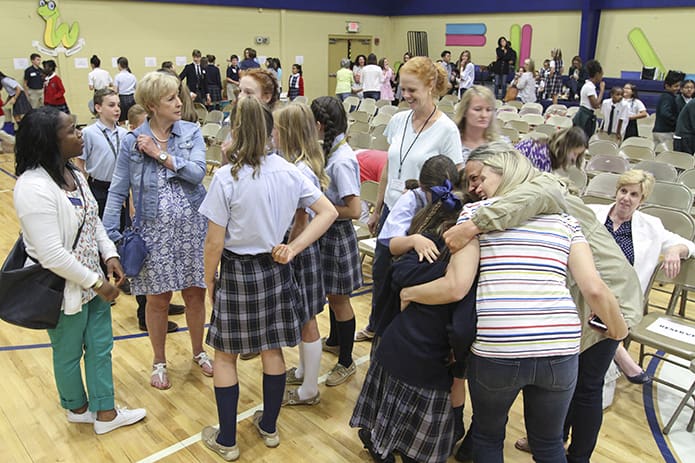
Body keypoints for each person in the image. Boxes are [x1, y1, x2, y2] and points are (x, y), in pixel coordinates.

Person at [446, 143, 640, 463]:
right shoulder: (538, 211)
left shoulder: (546, 193)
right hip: (578, 308)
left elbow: (595, 287)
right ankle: (541, 441)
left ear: (507, 170)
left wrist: (470, 225)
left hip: (610, 300)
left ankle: (577, 457)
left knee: (587, 389)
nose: (473, 188)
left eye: (478, 178)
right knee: (548, 433)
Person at [199, 96, 337, 460]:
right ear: (272, 131)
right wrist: (293, 247)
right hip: (276, 268)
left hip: (238, 270)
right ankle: (269, 426)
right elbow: (328, 212)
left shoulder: (227, 179)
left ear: (235, 132)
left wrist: (208, 280)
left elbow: (214, 242)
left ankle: (227, 441)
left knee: (226, 356)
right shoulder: (291, 172)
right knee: (271, 349)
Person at [13, 107, 146, 434]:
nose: (80, 134)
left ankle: (105, 413)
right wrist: (98, 283)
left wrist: (110, 254)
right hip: (64, 290)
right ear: (51, 142)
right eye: (72, 130)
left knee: (101, 347)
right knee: (69, 352)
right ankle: (77, 408)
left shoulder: (74, 172)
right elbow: (52, 255)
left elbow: (93, 220)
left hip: (94, 283)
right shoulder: (33, 188)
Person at [351, 186, 478, 463]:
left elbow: (397, 266)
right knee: (419, 442)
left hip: (394, 346)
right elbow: (462, 328)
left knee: (387, 413)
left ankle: (379, 445)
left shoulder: (418, 256)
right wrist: (459, 358)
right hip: (429, 362)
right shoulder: (466, 278)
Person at [102, 71, 212, 389]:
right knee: (158, 300)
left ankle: (199, 351)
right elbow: (118, 191)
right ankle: (159, 360)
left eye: (179, 96)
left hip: (193, 229)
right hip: (153, 233)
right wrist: (111, 238)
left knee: (195, 294)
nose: (180, 102)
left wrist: (159, 154)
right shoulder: (129, 142)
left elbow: (196, 173)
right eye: (171, 98)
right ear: (152, 105)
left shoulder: (190, 132)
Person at [359, 57, 463, 345]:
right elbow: (389, 169)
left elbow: (452, 180)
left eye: (412, 90)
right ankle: (376, 327)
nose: (405, 96)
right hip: (393, 210)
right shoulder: (397, 121)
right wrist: (377, 209)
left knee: (405, 276)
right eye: (402, 89)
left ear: (431, 86)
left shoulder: (446, 130)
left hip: (423, 219)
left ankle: (396, 335)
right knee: (381, 274)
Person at [588, 170, 695, 383]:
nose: (626, 198)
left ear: (642, 200)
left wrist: (675, 251)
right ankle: (621, 355)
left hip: (621, 297)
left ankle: (615, 356)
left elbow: (689, 245)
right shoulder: (592, 213)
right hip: (586, 286)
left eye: (634, 194)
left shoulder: (651, 225)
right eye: (623, 191)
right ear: (616, 192)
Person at [273, 102, 331, 406]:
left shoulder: (299, 170)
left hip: (300, 250)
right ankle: (305, 370)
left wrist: (291, 250)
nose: (272, 134)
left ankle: (309, 388)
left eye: (276, 129)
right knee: (304, 316)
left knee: (307, 319)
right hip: (300, 248)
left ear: (288, 133)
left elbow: (302, 217)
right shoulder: (298, 163)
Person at [310, 96, 363, 387]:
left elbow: (354, 210)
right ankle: (334, 340)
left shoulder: (342, 160)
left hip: (337, 235)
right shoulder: (330, 150)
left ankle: (346, 361)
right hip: (326, 231)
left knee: (340, 299)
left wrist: (320, 210)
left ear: (319, 125)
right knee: (332, 294)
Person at [74, 88, 128, 221]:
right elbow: (80, 162)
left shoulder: (124, 133)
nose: (117, 109)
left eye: (118, 105)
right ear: (98, 108)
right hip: (98, 188)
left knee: (122, 226)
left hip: (121, 187)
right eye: (111, 105)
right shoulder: (88, 133)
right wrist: (83, 190)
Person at [515, 126, 587, 173]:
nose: (575, 159)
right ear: (566, 147)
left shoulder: (544, 145)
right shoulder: (543, 158)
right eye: (574, 153)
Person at [455, 85, 498, 162]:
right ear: (464, 111)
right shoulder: (451, 143)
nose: (484, 115)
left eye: (488, 110)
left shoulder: (501, 146)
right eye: (477, 109)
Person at [572, 59, 605, 139]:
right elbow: (595, 105)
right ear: (597, 74)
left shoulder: (588, 86)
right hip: (585, 117)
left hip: (585, 115)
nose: (602, 77)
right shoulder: (589, 87)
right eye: (601, 75)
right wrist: (602, 91)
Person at [653, 71, 682, 145]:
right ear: (667, 86)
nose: (678, 88)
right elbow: (664, 113)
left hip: (661, 131)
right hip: (665, 132)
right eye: (675, 86)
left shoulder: (667, 96)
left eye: (679, 86)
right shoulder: (667, 97)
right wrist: (676, 122)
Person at [113, 57, 136, 124]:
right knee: (132, 118)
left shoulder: (117, 76)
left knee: (122, 119)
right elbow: (136, 88)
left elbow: (115, 91)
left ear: (119, 65)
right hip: (132, 98)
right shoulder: (132, 76)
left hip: (122, 99)